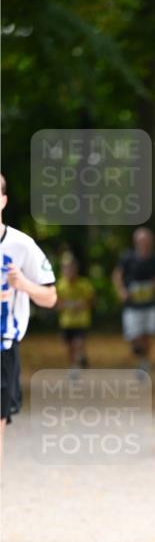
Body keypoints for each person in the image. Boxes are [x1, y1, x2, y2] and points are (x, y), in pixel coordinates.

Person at [0, 172, 57, 463]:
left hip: (3, 345)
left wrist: (23, 284)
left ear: (3, 200)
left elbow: (50, 297)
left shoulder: (22, 245)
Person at [112, 227, 155, 371]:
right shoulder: (127, 258)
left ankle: (144, 363)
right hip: (132, 305)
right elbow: (117, 275)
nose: (144, 243)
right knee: (134, 336)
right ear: (135, 241)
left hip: (150, 304)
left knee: (147, 335)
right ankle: (138, 353)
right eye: (141, 241)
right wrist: (121, 291)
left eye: (147, 241)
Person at [56, 252, 94, 373]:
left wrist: (82, 305)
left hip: (81, 321)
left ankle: (79, 358)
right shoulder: (60, 285)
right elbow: (56, 303)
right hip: (66, 322)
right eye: (66, 268)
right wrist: (65, 305)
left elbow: (91, 300)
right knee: (69, 346)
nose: (69, 270)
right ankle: (74, 364)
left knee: (78, 342)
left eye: (71, 267)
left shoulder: (84, 284)